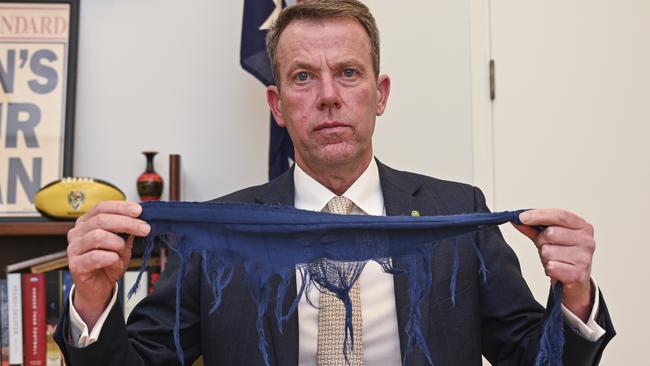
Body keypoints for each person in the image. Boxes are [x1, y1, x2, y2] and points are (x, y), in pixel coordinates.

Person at [55, 1, 614, 365]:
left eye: (348, 73)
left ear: (381, 93)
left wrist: (576, 294)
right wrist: (93, 301)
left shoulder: (457, 213)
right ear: (277, 104)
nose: (328, 95)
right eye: (303, 77)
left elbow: (532, 356)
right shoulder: (220, 232)